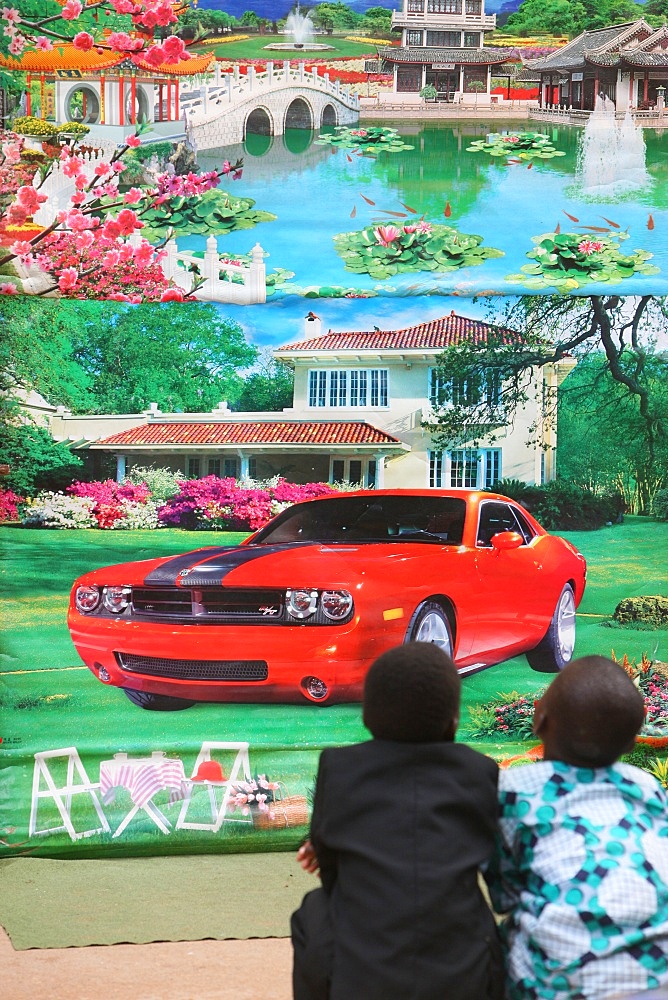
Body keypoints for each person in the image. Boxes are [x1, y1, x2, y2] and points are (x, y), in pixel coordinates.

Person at [291, 642, 503, 1000]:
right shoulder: (479, 770)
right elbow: (490, 859)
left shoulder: (339, 767)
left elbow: (332, 873)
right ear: (454, 720)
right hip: (464, 979)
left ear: (367, 717)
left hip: (361, 983)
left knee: (315, 908)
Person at [487, 655, 668, 1000]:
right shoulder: (646, 786)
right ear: (633, 742)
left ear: (539, 718)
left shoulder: (515, 789)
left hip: (567, 985)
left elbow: (504, 894)